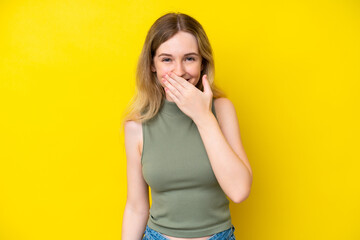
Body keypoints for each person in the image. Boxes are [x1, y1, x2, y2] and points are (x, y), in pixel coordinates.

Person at [121, 12, 253, 240]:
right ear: (152, 64)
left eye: (190, 58)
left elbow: (239, 191)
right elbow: (136, 207)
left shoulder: (221, 110)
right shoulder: (136, 125)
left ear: (203, 63)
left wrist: (203, 116)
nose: (180, 71)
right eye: (167, 59)